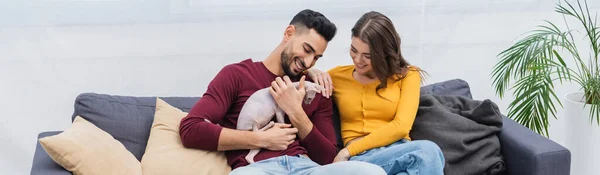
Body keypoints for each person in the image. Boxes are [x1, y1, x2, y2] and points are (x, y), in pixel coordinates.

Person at [179, 9, 386, 175]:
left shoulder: (316, 88)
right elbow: (190, 129)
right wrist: (261, 139)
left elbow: (328, 157)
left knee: (372, 172)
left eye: (316, 57)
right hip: (256, 169)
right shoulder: (237, 75)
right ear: (289, 34)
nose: (307, 62)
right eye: (306, 49)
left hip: (305, 168)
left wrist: (296, 112)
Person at [307, 11, 445, 175]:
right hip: (362, 158)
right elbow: (294, 76)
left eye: (367, 55)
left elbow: (402, 126)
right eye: (353, 50)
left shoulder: (408, 76)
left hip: (400, 152)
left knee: (425, 155)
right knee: (428, 151)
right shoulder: (336, 76)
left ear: (384, 54)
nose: (358, 60)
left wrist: (346, 152)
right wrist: (311, 71)